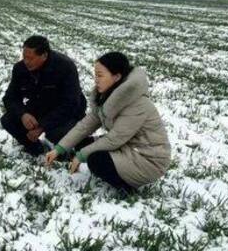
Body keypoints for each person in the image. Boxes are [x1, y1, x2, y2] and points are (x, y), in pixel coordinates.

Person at [45, 52, 171, 193]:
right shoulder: (108, 96)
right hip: (128, 146)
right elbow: (85, 126)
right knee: (84, 143)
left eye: (100, 75)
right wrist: (59, 149)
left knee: (96, 160)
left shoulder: (138, 103)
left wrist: (80, 156)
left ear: (116, 77)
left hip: (148, 159)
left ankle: (127, 189)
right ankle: (110, 169)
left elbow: (114, 139)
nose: (96, 80)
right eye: (95, 75)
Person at [1, 35, 87, 156]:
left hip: (66, 113)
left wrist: (42, 126)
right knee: (8, 120)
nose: (26, 62)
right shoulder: (20, 69)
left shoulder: (65, 67)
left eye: (30, 58)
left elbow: (71, 103)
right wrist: (23, 115)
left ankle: (70, 150)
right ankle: (36, 149)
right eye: (24, 57)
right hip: (40, 106)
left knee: (55, 133)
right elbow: (9, 98)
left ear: (44, 55)